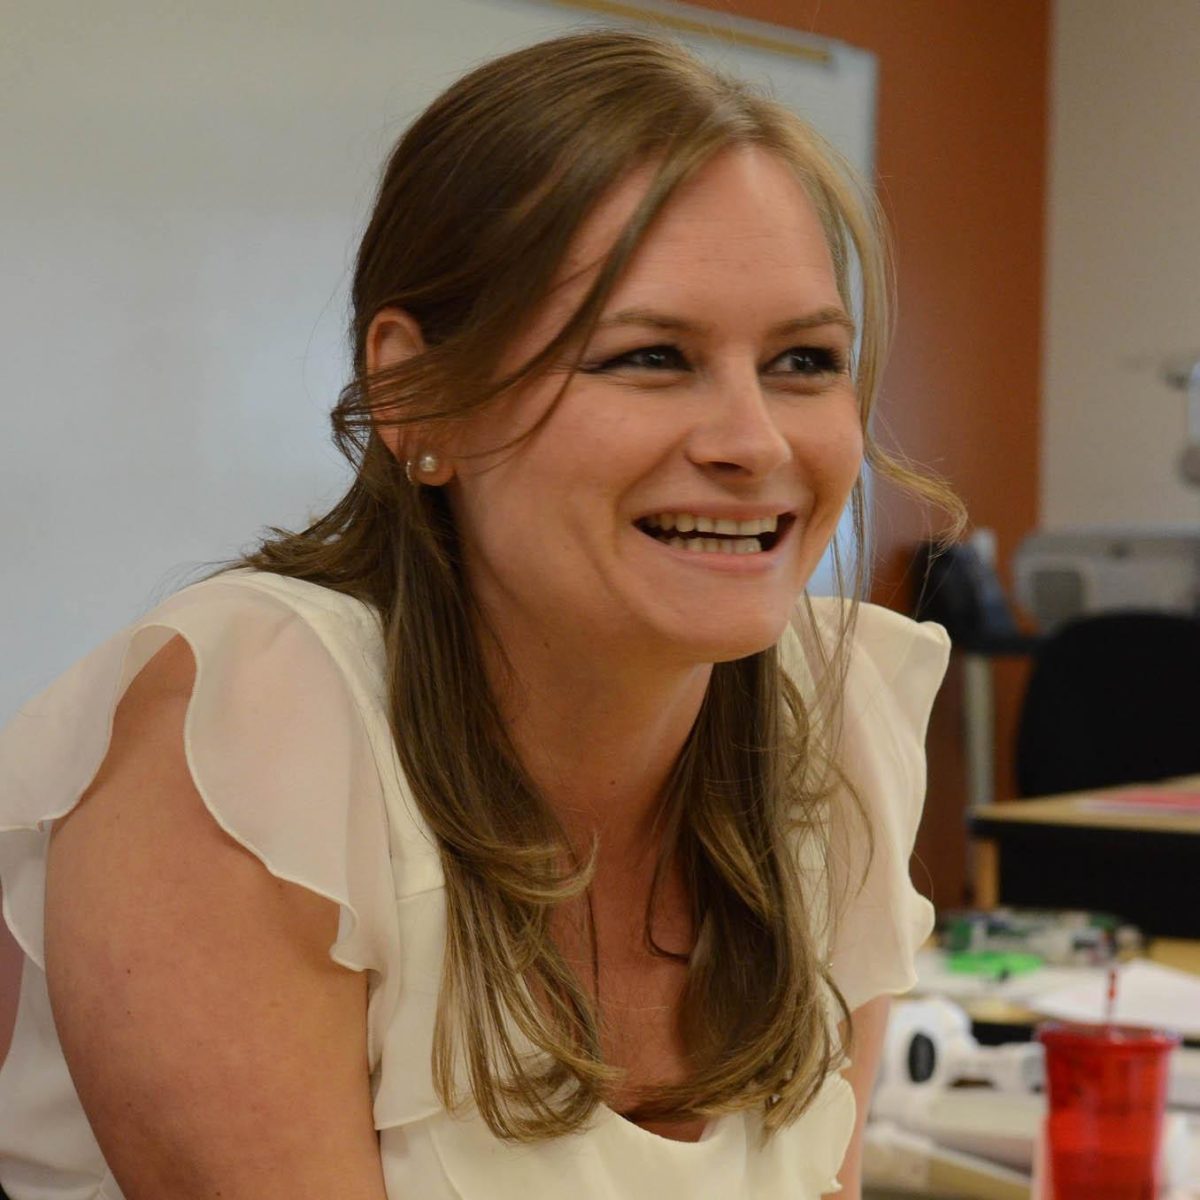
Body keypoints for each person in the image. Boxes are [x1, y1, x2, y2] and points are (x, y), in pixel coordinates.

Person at [0, 29, 958, 1200]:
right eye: (651, 355)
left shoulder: (838, 714)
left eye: (804, 362)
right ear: (412, 392)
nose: (753, 443)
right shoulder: (250, 735)